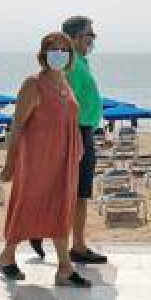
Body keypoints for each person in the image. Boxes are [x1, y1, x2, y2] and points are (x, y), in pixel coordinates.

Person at [0, 32, 91, 287]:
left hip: (65, 159)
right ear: (43, 54)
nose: (58, 54)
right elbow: (16, 126)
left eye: (64, 49)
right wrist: (10, 163)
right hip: (37, 158)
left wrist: (78, 150)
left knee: (61, 208)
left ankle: (63, 267)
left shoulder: (65, 84)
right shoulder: (33, 84)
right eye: (53, 49)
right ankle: (7, 256)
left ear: (70, 56)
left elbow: (70, 120)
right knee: (28, 204)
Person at [30, 16, 108, 264]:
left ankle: (46, 233)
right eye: (90, 35)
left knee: (77, 192)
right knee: (78, 192)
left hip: (84, 131)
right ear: (74, 38)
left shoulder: (81, 62)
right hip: (77, 131)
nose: (93, 40)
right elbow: (62, 102)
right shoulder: (71, 64)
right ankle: (77, 245)